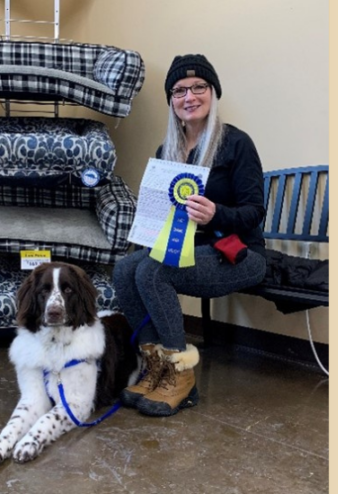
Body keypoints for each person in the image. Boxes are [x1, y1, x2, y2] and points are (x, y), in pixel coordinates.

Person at [113, 54, 268, 417]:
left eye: (199, 87)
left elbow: (254, 212)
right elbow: (160, 219)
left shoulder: (236, 144)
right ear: (171, 100)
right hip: (187, 251)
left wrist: (217, 213)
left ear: (212, 93)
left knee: (153, 272)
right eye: (179, 90)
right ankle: (157, 369)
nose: (189, 96)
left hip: (239, 254)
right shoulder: (165, 152)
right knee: (125, 269)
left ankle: (181, 378)